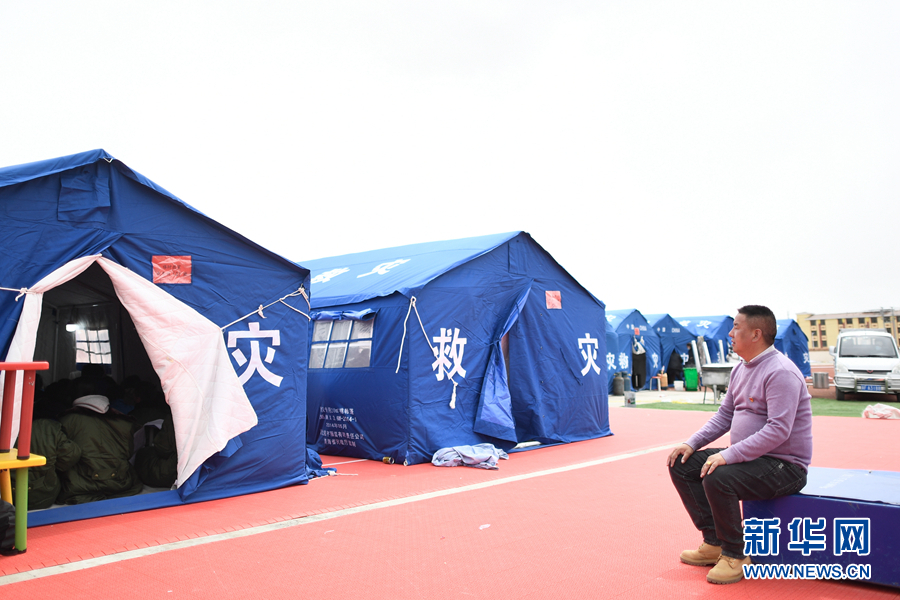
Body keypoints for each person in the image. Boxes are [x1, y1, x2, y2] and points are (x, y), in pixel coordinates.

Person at [666, 305, 812, 585]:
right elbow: (725, 416)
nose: (730, 334)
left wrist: (729, 455)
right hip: (752, 459)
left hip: (784, 466)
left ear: (756, 334)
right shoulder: (740, 370)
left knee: (718, 475)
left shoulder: (781, 372)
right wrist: (691, 443)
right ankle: (714, 543)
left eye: (736, 327)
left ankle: (736, 554)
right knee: (682, 464)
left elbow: (778, 429)